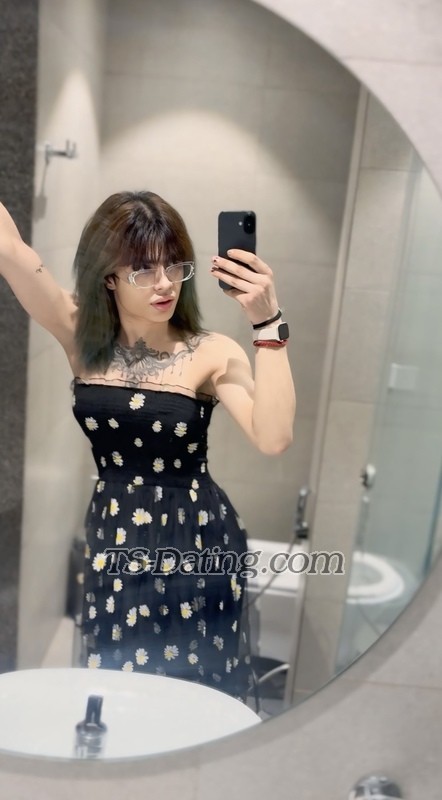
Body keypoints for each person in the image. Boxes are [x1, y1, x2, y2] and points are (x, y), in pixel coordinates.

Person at [0, 191, 295, 702]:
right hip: (114, 534)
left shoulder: (211, 351)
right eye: (143, 270)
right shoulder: (79, 331)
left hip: (196, 540)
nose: (164, 284)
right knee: (115, 686)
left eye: (174, 266)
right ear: (108, 277)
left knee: (190, 693)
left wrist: (267, 324)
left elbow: (273, 437)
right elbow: (10, 251)